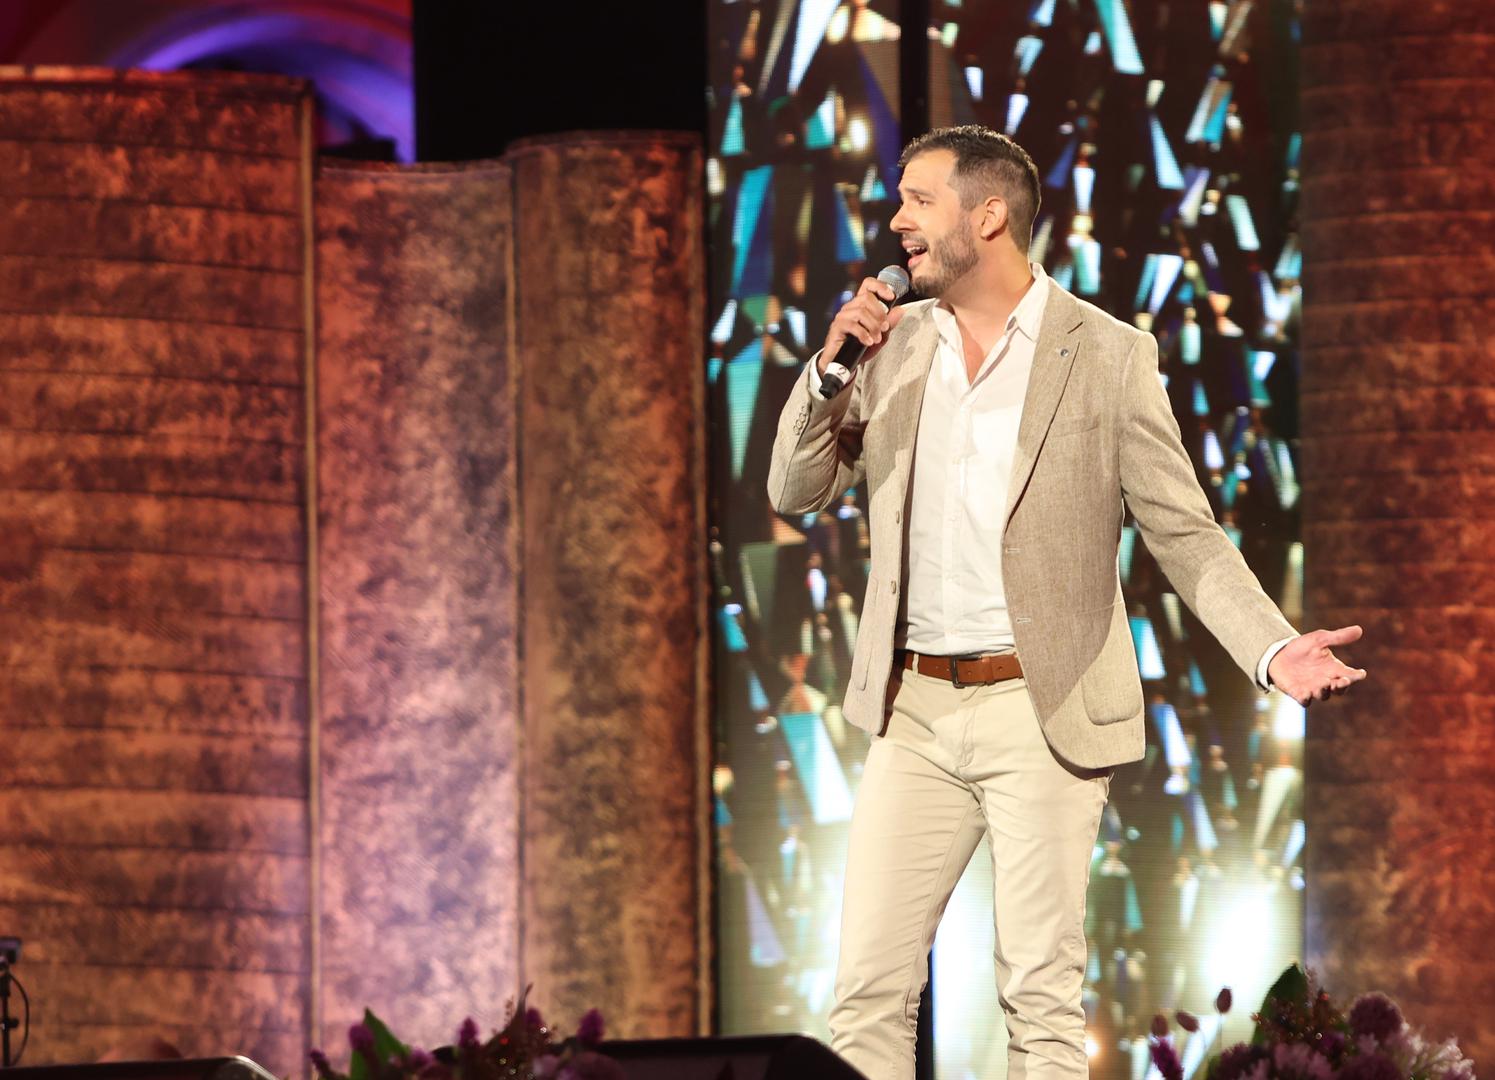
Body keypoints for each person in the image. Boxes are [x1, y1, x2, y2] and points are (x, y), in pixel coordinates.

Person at [766, 125, 1365, 1080]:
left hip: (1039, 710)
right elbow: (792, 491)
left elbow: (1184, 533)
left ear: (987, 215)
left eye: (918, 200)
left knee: (1037, 998)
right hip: (910, 709)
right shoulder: (891, 346)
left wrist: (1271, 648)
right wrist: (829, 365)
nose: (896, 221)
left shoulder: (1108, 354)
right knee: (866, 995)